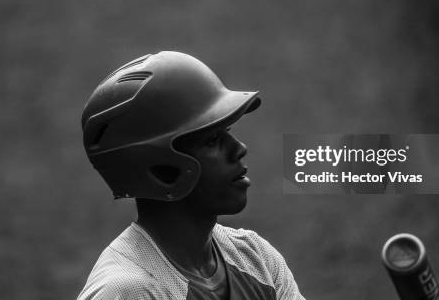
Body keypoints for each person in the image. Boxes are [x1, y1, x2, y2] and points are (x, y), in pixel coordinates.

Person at [77, 51, 305, 300]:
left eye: (228, 130)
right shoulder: (127, 292)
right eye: (213, 140)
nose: (239, 149)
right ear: (161, 169)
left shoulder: (256, 259)